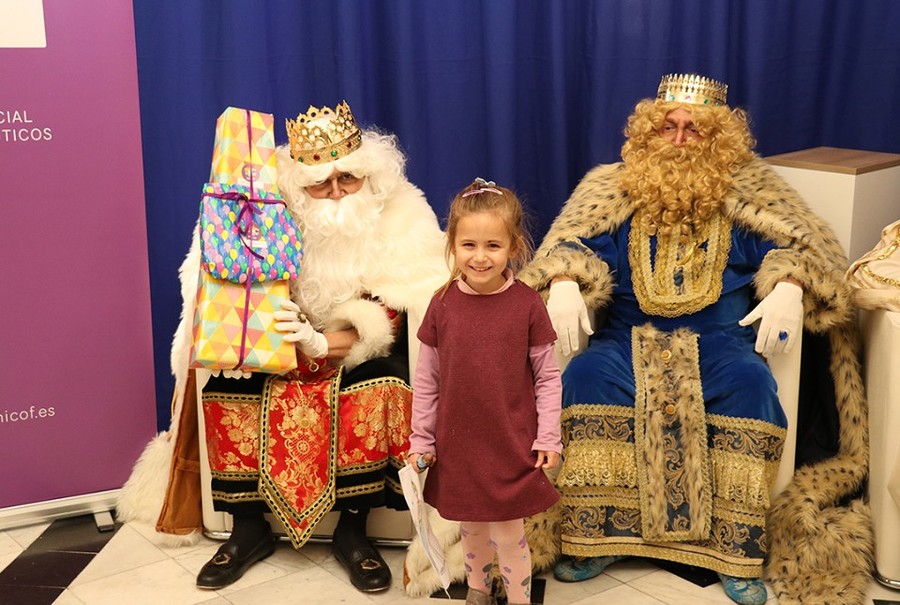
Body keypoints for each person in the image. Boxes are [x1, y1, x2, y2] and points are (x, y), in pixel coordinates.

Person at [516, 74, 870, 605]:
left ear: (718, 139)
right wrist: (565, 277)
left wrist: (792, 284)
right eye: (669, 127)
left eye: (694, 129)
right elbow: (577, 242)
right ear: (649, 132)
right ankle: (595, 537)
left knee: (752, 389)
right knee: (586, 379)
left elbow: (795, 246)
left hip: (722, 345)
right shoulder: (615, 192)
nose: (679, 139)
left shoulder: (747, 198)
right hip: (624, 340)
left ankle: (733, 552)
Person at [122, 101, 448, 593]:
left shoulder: (403, 211)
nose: (336, 192)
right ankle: (248, 529)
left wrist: (327, 342)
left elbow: (406, 304)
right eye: (320, 183)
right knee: (229, 385)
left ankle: (353, 531)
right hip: (279, 345)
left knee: (385, 384)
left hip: (358, 349)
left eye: (348, 179)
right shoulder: (265, 212)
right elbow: (224, 282)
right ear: (298, 186)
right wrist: (254, 338)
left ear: (370, 174)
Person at [407, 179, 563, 605]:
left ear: (513, 246)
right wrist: (422, 439)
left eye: (493, 245)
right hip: (459, 446)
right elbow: (427, 381)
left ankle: (518, 599)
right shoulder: (441, 304)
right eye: (468, 245)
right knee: (471, 530)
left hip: (511, 444)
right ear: (452, 246)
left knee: (510, 535)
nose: (480, 257)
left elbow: (548, 378)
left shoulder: (527, 304)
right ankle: (478, 591)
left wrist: (548, 436)